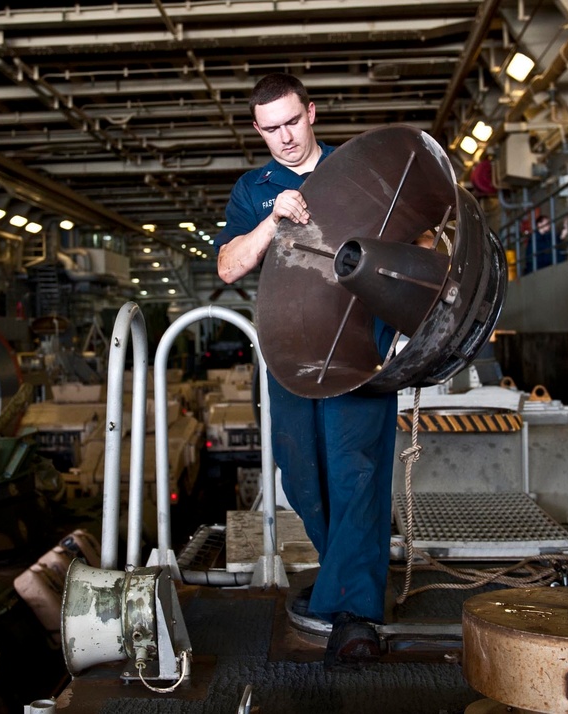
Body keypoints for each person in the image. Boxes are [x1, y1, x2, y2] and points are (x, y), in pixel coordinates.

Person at [214, 73, 397, 668]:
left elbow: (406, 241)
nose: (285, 138)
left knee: (354, 470)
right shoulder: (254, 188)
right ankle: (346, 582)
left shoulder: (357, 167)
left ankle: (355, 613)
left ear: (312, 112)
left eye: (293, 122)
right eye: (271, 129)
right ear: (257, 129)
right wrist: (273, 222)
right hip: (289, 351)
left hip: (355, 349)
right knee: (303, 478)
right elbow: (227, 268)